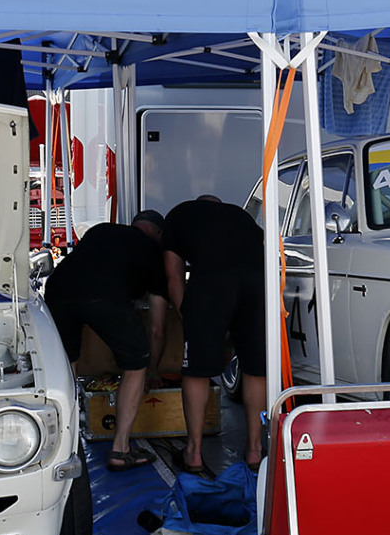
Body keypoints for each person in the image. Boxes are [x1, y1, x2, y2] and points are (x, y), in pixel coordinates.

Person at [43, 211, 169, 472]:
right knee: (135, 365)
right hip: (105, 297)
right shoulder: (153, 252)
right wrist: (153, 369)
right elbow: (157, 327)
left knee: (67, 365)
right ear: (158, 234)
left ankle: (65, 447)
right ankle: (121, 450)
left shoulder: (100, 230)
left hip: (58, 291)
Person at [160, 194, 266, 474]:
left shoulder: (179, 214)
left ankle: (194, 453)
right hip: (258, 283)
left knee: (196, 371)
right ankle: (255, 450)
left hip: (212, 282)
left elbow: (174, 277)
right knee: (255, 368)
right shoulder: (241, 216)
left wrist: (188, 320)